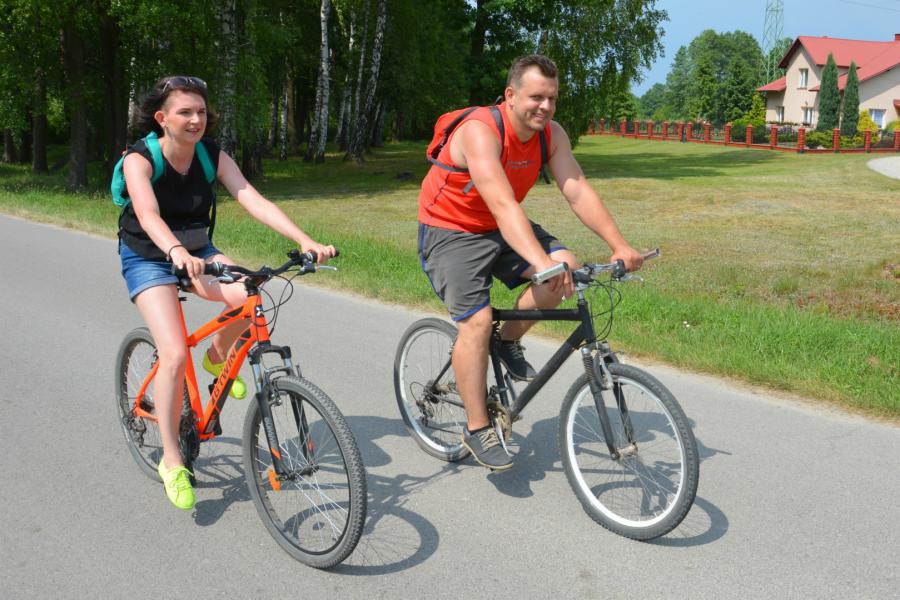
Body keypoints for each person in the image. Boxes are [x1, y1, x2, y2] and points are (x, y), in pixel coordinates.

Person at [417, 55, 645, 471]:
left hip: (499, 225)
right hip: (451, 229)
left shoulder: (550, 135)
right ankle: (477, 428)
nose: (545, 106)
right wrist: (540, 261)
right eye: (536, 97)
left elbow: (577, 189)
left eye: (552, 98)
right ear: (510, 95)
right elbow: (503, 204)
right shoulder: (480, 131)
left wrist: (620, 245)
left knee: (565, 267)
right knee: (476, 322)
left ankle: (506, 341)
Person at [118, 75, 336, 510]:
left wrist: (305, 239)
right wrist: (176, 252)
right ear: (162, 118)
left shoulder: (211, 154)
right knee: (173, 354)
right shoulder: (139, 159)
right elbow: (147, 213)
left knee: (249, 295)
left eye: (201, 111)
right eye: (185, 112)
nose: (196, 119)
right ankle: (172, 459)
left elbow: (251, 198)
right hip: (148, 255)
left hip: (198, 250)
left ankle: (218, 357)